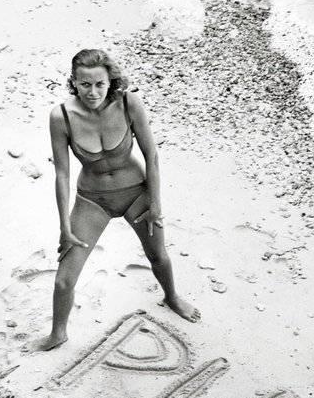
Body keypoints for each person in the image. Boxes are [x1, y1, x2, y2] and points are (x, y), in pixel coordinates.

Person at [30, 48, 199, 351]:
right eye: (85, 84)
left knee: (158, 256)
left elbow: (151, 155)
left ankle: (172, 297)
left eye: (99, 84)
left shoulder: (129, 103)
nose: (92, 92)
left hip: (136, 193)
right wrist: (64, 227)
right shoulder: (61, 116)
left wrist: (156, 204)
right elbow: (62, 175)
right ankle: (58, 333)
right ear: (74, 82)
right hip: (93, 200)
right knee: (63, 280)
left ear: (110, 82)